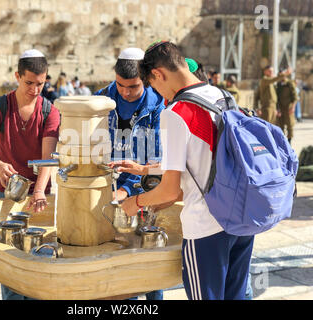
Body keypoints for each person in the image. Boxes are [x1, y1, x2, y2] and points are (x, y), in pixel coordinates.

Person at [118, 40, 254, 300]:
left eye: (154, 85)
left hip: (206, 228)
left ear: (158, 74)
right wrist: (146, 170)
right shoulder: (223, 96)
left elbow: (170, 191)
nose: (159, 94)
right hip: (240, 218)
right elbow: (208, 161)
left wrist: (136, 202)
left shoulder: (176, 112)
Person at [0, 49, 60, 300]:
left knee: (36, 260)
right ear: (17, 76)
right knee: (9, 260)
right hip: (3, 192)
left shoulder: (50, 111)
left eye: (41, 84)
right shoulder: (0, 106)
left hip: (39, 193)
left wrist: (37, 191)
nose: (35, 90)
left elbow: (48, 158)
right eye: (29, 83)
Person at [94, 47, 166, 300]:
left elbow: (152, 158)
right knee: (117, 256)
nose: (126, 92)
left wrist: (126, 189)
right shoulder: (101, 100)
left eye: (133, 87)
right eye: (121, 85)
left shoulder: (157, 106)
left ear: (145, 81)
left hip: (143, 189)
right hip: (107, 189)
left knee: (147, 254)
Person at [277, 74, 298, 143]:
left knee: (289, 126)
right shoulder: (279, 84)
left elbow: (295, 97)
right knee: (280, 126)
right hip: (280, 108)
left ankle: (289, 142)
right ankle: (282, 142)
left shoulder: (290, 83)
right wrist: (277, 108)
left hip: (289, 108)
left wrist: (293, 107)